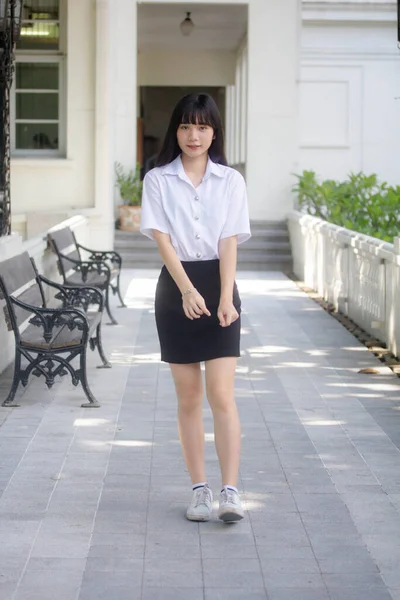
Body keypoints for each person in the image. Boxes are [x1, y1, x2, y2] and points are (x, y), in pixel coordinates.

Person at [140, 93, 251, 523]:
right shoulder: (158, 179)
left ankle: (231, 491)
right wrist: (187, 290)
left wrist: (225, 296)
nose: (194, 135)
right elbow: (162, 239)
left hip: (219, 284)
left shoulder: (231, 181)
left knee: (222, 394)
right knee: (189, 398)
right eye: (186, 126)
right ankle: (199, 490)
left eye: (203, 127)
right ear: (176, 131)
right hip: (176, 287)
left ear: (214, 132)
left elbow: (228, 239)